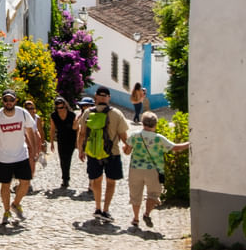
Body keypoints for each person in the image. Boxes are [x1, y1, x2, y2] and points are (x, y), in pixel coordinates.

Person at [0, 90, 40, 224]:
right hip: (2, 157)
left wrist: (33, 149)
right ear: (2, 101)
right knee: (5, 184)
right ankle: (6, 211)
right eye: (5, 100)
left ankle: (16, 203)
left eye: (11, 100)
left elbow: (30, 130)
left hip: (21, 154)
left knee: (26, 182)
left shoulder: (23, 113)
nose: (8, 102)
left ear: (16, 100)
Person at [77, 86, 131, 221]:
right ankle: (106, 210)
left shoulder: (88, 112)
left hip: (93, 152)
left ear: (96, 97)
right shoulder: (116, 114)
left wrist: (81, 149)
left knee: (96, 180)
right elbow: (123, 135)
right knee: (111, 181)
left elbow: (82, 133)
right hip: (112, 152)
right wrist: (128, 146)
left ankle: (97, 207)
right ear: (108, 98)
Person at [127, 111, 190, 227]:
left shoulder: (135, 135)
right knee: (153, 194)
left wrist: (125, 148)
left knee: (135, 194)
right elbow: (174, 148)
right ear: (155, 124)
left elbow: (127, 151)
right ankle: (146, 214)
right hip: (153, 171)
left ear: (142, 123)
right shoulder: (159, 138)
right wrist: (189, 144)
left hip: (135, 169)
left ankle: (135, 218)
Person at [49, 97, 80, 189]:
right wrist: (51, 142)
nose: (60, 110)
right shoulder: (54, 116)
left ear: (65, 106)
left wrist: (77, 142)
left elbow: (77, 129)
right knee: (62, 159)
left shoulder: (71, 115)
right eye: (58, 108)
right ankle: (65, 179)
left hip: (71, 139)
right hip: (61, 139)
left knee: (68, 158)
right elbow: (52, 129)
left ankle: (66, 177)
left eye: (62, 107)